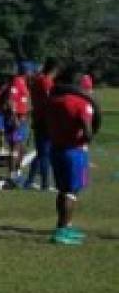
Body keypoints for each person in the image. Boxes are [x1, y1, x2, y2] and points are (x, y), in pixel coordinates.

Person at [46, 67, 96, 245]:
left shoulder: (53, 100)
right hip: (74, 150)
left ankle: (63, 225)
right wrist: (85, 139)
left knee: (62, 190)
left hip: (56, 149)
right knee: (71, 192)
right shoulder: (81, 103)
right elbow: (88, 130)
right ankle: (62, 231)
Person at [23, 58, 59, 190]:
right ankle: (45, 184)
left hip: (39, 119)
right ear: (54, 69)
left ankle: (30, 181)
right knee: (45, 153)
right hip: (45, 120)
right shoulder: (45, 81)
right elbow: (50, 100)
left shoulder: (39, 80)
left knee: (41, 153)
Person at [3, 64, 31, 183]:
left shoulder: (23, 83)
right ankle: (12, 174)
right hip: (16, 119)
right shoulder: (17, 81)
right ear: (27, 71)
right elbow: (11, 100)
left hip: (22, 118)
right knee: (16, 147)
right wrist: (14, 117)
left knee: (22, 148)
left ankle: (17, 172)